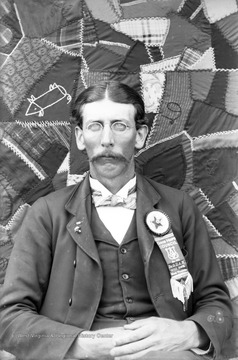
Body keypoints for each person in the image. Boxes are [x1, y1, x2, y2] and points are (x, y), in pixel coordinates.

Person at [0, 81, 233, 360]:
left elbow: (216, 304)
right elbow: (10, 318)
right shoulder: (45, 213)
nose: (106, 139)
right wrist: (81, 343)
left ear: (140, 135)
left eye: (119, 126)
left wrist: (187, 333)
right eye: (95, 125)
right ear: (79, 136)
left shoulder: (180, 207)